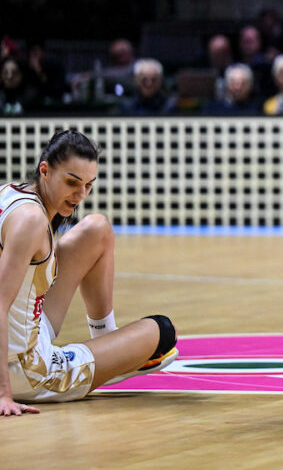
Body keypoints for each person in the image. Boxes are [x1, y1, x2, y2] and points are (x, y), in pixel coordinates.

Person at [1, 130, 177, 415]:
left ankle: (105, 339)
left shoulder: (10, 192)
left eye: (88, 185)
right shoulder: (32, 221)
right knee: (163, 332)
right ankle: (110, 362)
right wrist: (3, 394)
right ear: (45, 170)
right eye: (72, 182)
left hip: (25, 331)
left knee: (97, 229)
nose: (80, 194)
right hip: (25, 368)